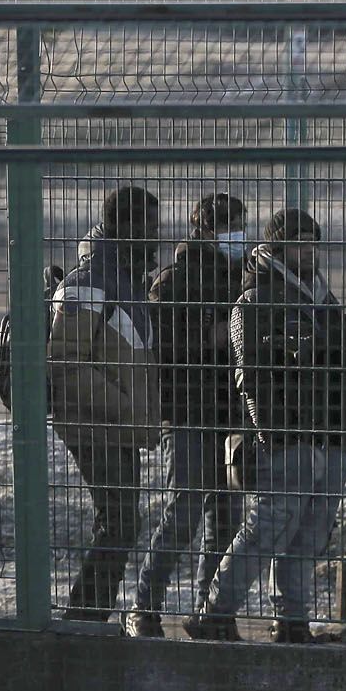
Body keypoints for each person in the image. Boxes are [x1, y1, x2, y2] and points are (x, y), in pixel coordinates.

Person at [186, 209, 346, 643]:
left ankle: (292, 621)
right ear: (278, 249)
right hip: (288, 439)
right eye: (300, 242)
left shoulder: (320, 298)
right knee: (264, 531)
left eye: (314, 242)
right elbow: (251, 374)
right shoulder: (256, 299)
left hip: (330, 435)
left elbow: (337, 356)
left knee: (310, 536)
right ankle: (214, 613)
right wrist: (273, 436)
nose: (309, 250)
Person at [128, 193, 250, 638]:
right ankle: (144, 607)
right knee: (183, 512)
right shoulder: (172, 281)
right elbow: (160, 348)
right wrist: (213, 336)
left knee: (226, 516)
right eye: (231, 227)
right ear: (204, 230)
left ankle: (210, 612)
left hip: (230, 413)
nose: (238, 236)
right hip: (184, 412)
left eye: (241, 226)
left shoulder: (241, 277)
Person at [47, 186, 163, 622]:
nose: (156, 235)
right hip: (96, 422)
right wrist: (125, 406)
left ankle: (88, 616)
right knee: (119, 522)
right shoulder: (89, 282)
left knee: (119, 522)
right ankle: (83, 619)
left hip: (118, 422)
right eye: (150, 227)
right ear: (126, 227)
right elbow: (64, 362)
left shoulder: (128, 280)